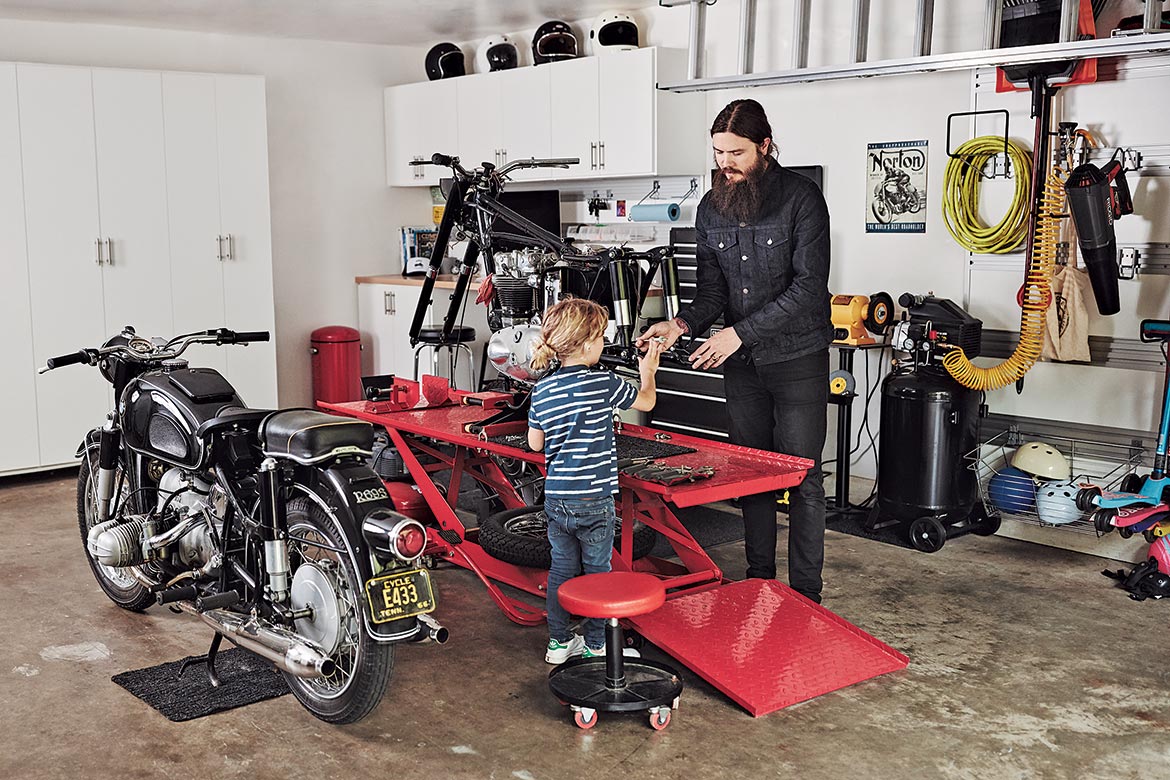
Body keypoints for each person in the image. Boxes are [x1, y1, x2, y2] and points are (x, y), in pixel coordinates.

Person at [637, 98, 832, 603]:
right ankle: (761, 581)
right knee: (753, 473)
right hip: (742, 366)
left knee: (802, 478)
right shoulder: (711, 208)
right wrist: (680, 324)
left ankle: (807, 596)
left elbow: (809, 288)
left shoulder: (802, 200)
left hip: (797, 359)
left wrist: (739, 334)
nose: (725, 163)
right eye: (719, 152)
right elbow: (712, 295)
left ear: (765, 147)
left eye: (737, 152)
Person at [528, 298, 664, 662]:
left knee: (562, 568)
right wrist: (649, 369)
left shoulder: (542, 390)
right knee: (598, 572)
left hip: (557, 498)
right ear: (589, 344)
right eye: (602, 336)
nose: (604, 342)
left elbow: (535, 443)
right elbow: (647, 402)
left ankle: (557, 643)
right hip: (594, 499)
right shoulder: (604, 383)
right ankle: (595, 644)